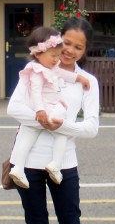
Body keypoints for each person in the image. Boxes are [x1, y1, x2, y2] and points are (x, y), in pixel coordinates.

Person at [7, 17, 99, 224]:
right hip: (29, 163)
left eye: (78, 47)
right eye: (67, 43)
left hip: (64, 163)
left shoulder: (87, 81)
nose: (70, 51)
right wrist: (44, 120)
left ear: (85, 50)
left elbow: (91, 127)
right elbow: (13, 108)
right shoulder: (36, 69)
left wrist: (61, 127)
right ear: (58, 40)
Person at [8, 26, 91, 189]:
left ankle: (18, 168)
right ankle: (56, 164)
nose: (56, 59)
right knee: (61, 131)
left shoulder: (51, 68)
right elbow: (36, 92)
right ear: (38, 54)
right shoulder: (36, 71)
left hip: (40, 110)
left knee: (28, 137)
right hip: (46, 108)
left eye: (58, 55)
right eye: (53, 56)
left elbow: (64, 74)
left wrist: (79, 78)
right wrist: (40, 111)